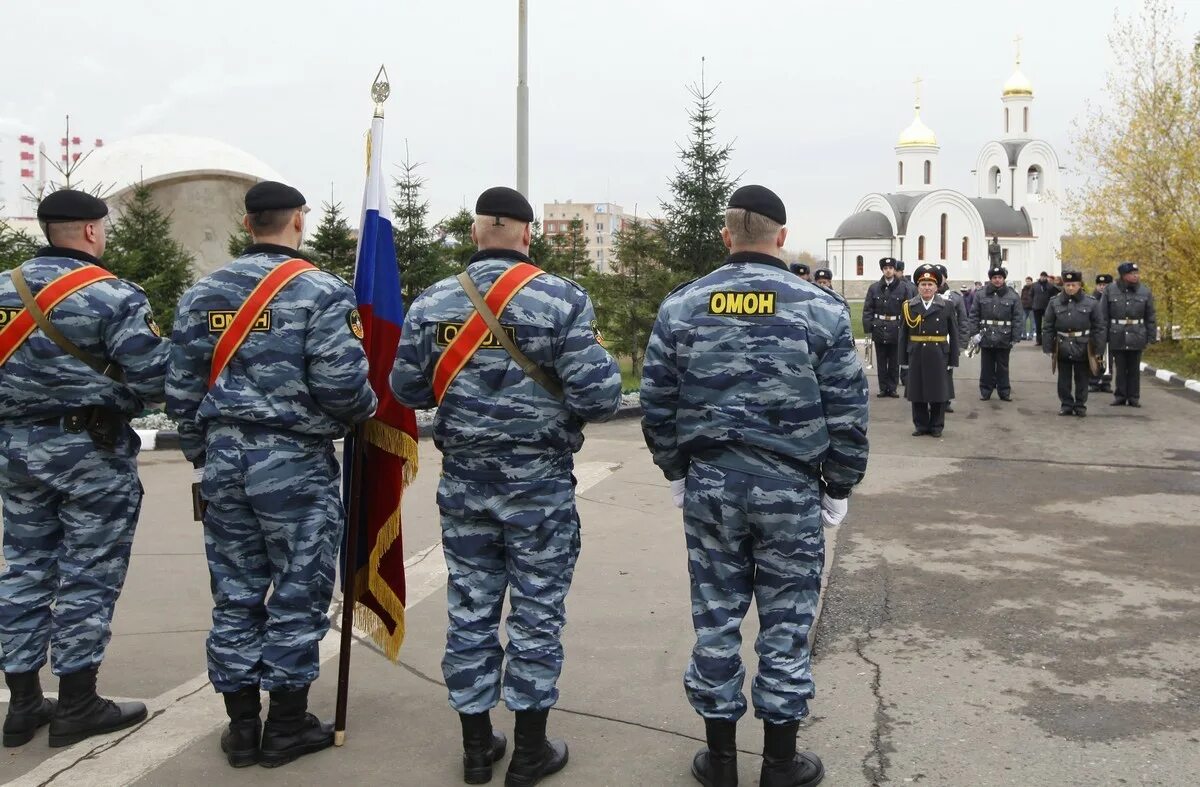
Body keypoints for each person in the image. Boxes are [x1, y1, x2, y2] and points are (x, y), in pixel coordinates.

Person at [391, 186, 621, 786]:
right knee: (537, 611)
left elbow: (407, 391)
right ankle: (530, 751)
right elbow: (599, 396)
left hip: (465, 485)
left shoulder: (433, 303)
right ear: (526, 233)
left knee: (469, 607)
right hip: (539, 487)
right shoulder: (559, 299)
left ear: (475, 233)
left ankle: (474, 750)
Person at [641, 184, 867, 787]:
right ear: (782, 238)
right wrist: (838, 485)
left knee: (715, 617)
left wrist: (676, 471)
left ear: (727, 236)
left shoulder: (684, 306)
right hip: (790, 487)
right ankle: (779, 763)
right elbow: (847, 408)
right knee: (786, 622)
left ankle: (719, 762)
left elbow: (656, 402)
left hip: (711, 485)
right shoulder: (819, 308)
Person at [166, 182, 378, 768]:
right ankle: (285, 725)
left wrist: (201, 451)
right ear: (298, 222)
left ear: (247, 223)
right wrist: (361, 411)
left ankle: (240, 729)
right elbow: (342, 387)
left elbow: (181, 387)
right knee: (296, 588)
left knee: (234, 590)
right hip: (294, 463)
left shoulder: (203, 292)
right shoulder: (320, 292)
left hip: (223, 460)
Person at [0, 190, 167, 748]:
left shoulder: (3, 286)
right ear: (93, 232)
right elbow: (153, 379)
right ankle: (77, 702)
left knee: (23, 567)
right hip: (88, 452)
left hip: (14, 452)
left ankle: (22, 703)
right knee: (87, 572)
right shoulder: (112, 295)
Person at [900, 263, 959, 437]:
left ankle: (936, 426)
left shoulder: (947, 306)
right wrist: (903, 360)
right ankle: (920, 425)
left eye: (930, 284)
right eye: (923, 285)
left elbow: (954, 334)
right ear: (917, 286)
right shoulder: (909, 306)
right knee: (917, 391)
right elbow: (903, 334)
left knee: (938, 392)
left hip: (939, 354)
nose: (926, 288)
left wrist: (953, 360)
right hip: (916, 353)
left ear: (936, 287)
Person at [1042, 271, 1106, 416]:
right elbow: (1048, 326)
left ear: (1079, 285)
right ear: (1063, 285)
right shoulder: (1054, 302)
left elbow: (1099, 327)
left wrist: (1098, 348)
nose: (1070, 288)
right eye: (1067, 284)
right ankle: (1066, 404)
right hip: (1062, 344)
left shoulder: (1091, 302)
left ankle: (1080, 405)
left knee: (1082, 377)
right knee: (1063, 378)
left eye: (1073, 285)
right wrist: (1048, 347)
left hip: (1084, 345)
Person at [1102, 262, 1157, 407]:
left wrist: (1152, 336)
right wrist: (1102, 335)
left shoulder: (1144, 291)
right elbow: (1103, 315)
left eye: (1137, 273)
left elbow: (1150, 315)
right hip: (1116, 332)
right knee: (1120, 367)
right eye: (1132, 274)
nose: (1136, 276)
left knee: (1134, 367)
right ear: (1123, 276)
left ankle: (1133, 397)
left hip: (1137, 333)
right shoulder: (1110, 290)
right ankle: (1120, 396)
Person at [967, 266, 1024, 402]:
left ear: (1004, 279)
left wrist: (1015, 337)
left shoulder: (1012, 295)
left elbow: (1017, 317)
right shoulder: (981, 294)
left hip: (1005, 336)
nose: (997, 280)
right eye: (994, 278)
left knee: (1003, 366)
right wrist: (974, 333)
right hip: (986, 334)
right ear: (990, 279)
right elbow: (974, 314)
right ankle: (985, 391)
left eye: (1000, 277)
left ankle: (1004, 392)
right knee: (986, 366)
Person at [862, 257, 907, 399]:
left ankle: (892, 388)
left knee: (894, 360)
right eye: (885, 268)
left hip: (896, 328)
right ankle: (883, 388)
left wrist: (906, 330)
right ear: (882, 270)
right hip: (879, 328)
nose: (888, 271)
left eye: (891, 268)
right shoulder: (874, 288)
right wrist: (868, 329)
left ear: (894, 270)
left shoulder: (903, 288)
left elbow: (907, 310)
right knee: (881, 360)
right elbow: (868, 309)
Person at [937, 264, 969, 413]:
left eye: (940, 275)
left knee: (947, 372)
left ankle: (946, 400)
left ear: (945, 277)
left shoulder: (955, 297)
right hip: (930, 341)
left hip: (949, 341)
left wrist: (962, 343)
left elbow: (963, 320)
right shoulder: (926, 295)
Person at [1089, 274, 1114, 393]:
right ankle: (1093, 381)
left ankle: (1106, 382)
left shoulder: (1113, 299)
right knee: (1094, 357)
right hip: (1095, 333)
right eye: (1100, 285)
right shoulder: (1091, 299)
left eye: (1105, 285)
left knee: (1108, 358)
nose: (1102, 287)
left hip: (1109, 333)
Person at [1030, 272, 1058, 346]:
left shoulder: (1050, 286)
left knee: (1047, 325)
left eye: (1045, 277)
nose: (1043, 278)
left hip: (1047, 307)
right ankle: (1039, 341)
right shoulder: (1035, 285)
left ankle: (1047, 340)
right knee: (1038, 325)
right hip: (1036, 307)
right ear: (1040, 277)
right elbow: (1031, 294)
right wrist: (1033, 302)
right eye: (1042, 276)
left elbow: (1053, 296)